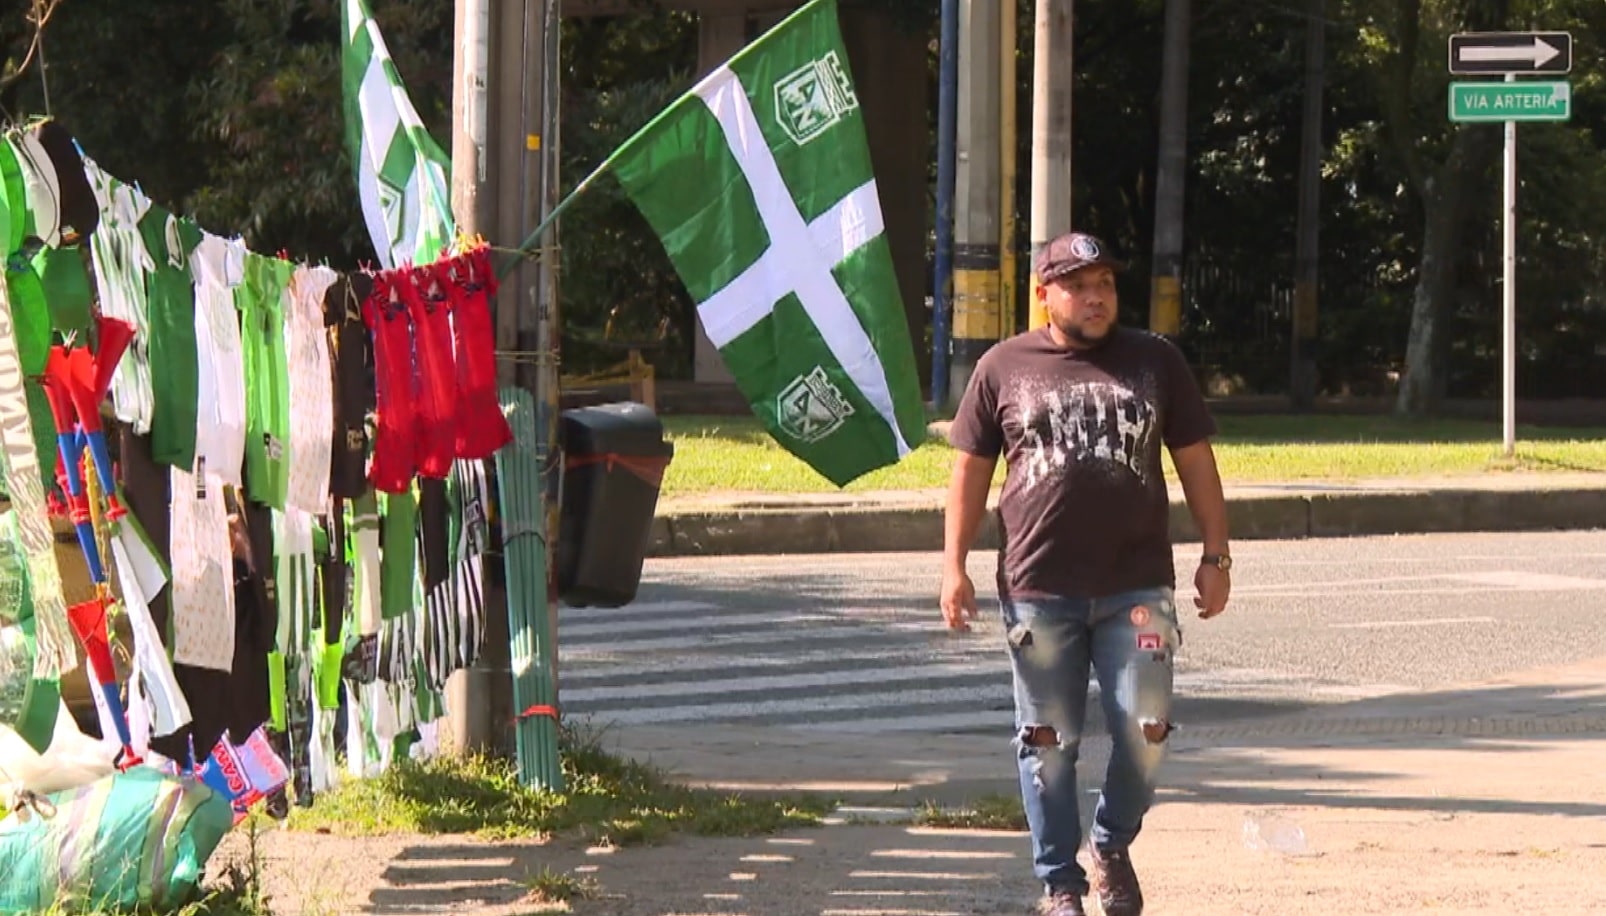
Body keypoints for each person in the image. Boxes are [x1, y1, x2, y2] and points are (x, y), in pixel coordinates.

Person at [940, 232, 1232, 916]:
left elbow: (1195, 461)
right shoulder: (1002, 366)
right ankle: (1059, 884)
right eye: (1078, 285)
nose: (1096, 296)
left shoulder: (1154, 360)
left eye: (1105, 283)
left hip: (1136, 585)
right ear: (1044, 295)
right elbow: (969, 472)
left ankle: (1109, 842)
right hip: (1039, 588)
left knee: (1149, 725)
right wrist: (953, 566)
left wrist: (1215, 555)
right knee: (1047, 741)